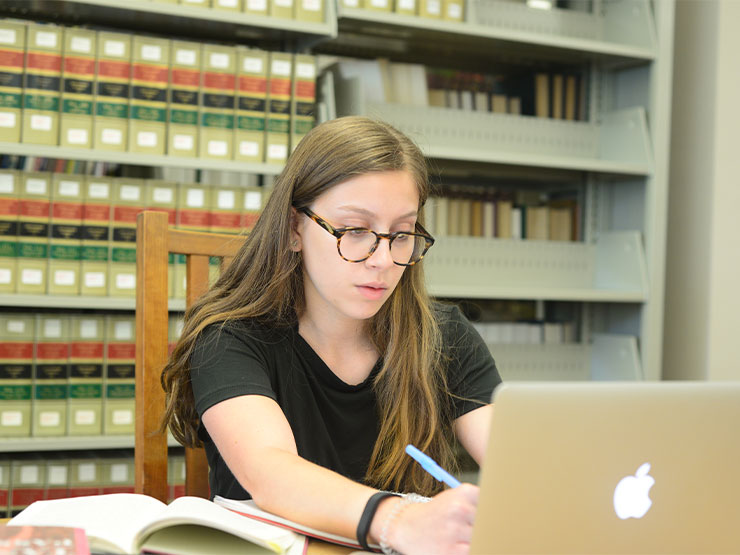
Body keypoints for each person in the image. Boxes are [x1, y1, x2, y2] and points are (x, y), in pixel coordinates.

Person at [161, 116, 502, 555]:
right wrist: (399, 521)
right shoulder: (230, 337)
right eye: (355, 231)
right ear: (293, 229)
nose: (382, 260)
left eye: (401, 234)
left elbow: (518, 465)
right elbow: (271, 472)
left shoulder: (444, 335)